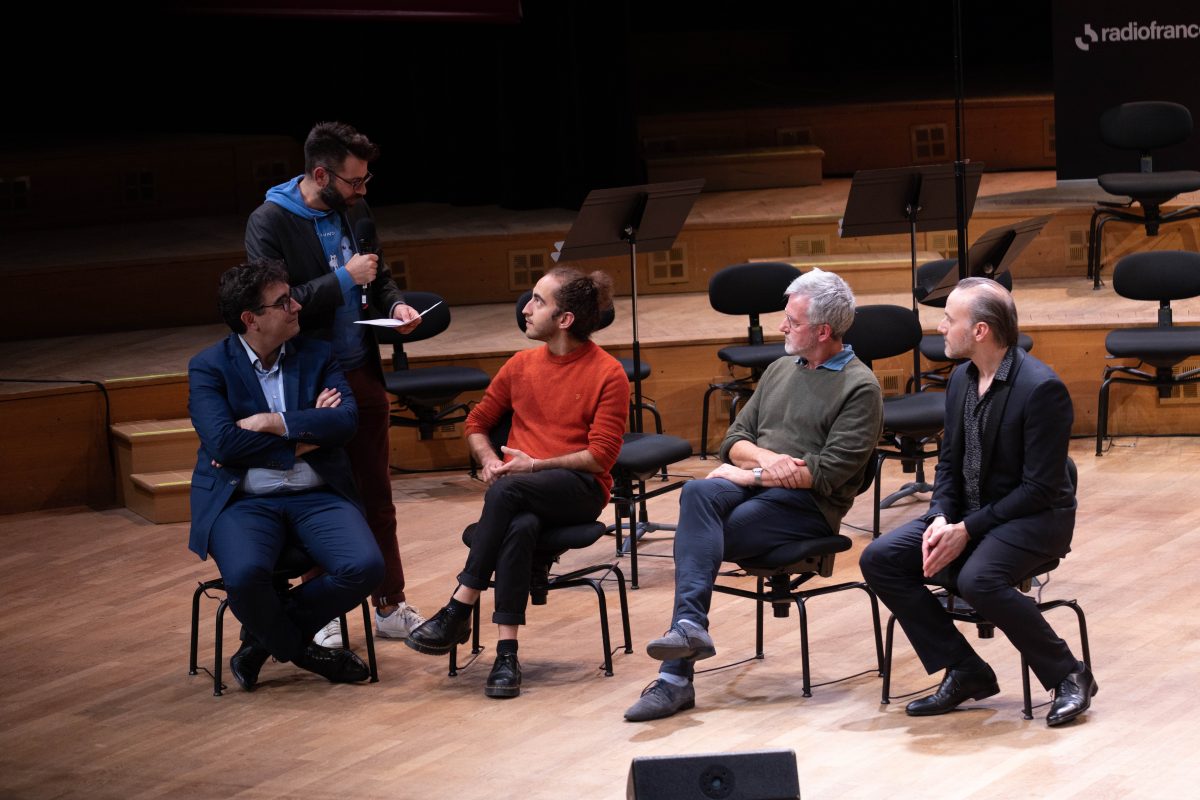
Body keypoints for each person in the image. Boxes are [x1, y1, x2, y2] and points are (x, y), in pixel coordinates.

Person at [624, 268, 883, 721]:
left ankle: (675, 678)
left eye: (793, 322)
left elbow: (827, 473)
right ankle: (689, 628)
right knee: (696, 493)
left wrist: (751, 475)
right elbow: (733, 441)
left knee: (704, 532)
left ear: (823, 331)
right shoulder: (781, 369)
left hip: (806, 509)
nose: (782, 327)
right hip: (759, 490)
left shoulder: (861, 387)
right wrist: (766, 462)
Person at [860, 277, 1096, 727]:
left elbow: (1039, 489)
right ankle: (965, 669)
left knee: (978, 579)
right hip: (969, 515)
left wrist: (966, 530)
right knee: (880, 558)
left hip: (1035, 519)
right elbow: (949, 465)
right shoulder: (961, 380)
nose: (940, 328)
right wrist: (939, 517)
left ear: (980, 331)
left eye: (949, 319)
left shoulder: (1041, 388)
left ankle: (1069, 674)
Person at [404, 267, 629, 698]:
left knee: (508, 491)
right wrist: (490, 460)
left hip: (579, 489)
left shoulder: (608, 373)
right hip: (521, 491)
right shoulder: (520, 365)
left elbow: (601, 456)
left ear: (564, 319)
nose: (525, 308)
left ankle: (459, 606)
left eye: (538, 301)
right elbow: (477, 423)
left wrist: (535, 466)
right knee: (521, 524)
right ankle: (506, 653)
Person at [245, 121, 424, 646]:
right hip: (309, 379)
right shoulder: (269, 221)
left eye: (365, 180)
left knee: (377, 493)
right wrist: (345, 277)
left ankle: (390, 603)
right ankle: (323, 610)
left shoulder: (355, 209)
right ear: (321, 174)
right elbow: (275, 303)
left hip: (359, 368)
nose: (361, 190)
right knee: (320, 494)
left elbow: (379, 275)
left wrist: (396, 305)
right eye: (354, 181)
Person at [187, 260, 383, 691]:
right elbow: (224, 445)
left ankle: (262, 639)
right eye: (282, 302)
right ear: (251, 319)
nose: (296, 306)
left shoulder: (317, 354)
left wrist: (273, 422)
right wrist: (306, 434)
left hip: (317, 494)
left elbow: (345, 423)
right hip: (243, 500)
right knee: (245, 578)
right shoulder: (209, 367)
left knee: (365, 566)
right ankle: (304, 652)